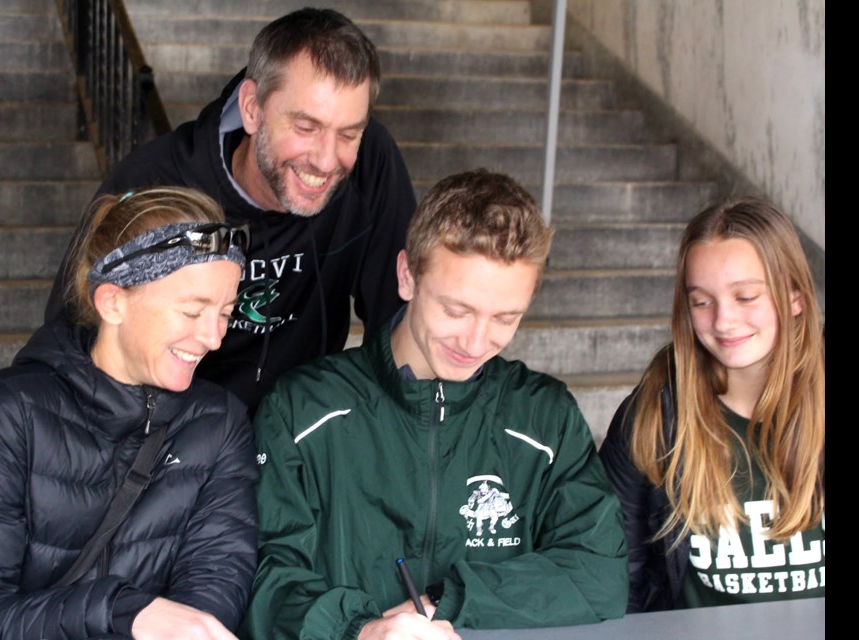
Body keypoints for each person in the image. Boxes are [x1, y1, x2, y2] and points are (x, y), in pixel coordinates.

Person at [239, 169, 629, 640]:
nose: (477, 341)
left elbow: (598, 574)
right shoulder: (301, 410)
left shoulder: (545, 417)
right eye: (456, 310)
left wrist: (447, 601)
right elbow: (265, 580)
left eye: (505, 317)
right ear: (407, 276)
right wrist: (363, 630)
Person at [43, 7, 417, 415]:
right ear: (253, 109)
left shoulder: (371, 163)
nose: (327, 161)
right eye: (306, 128)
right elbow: (71, 337)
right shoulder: (159, 181)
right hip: (174, 439)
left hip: (300, 432)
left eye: (348, 134)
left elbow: (403, 320)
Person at [0, 187, 259, 639]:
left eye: (225, 313)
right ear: (112, 302)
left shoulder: (218, 424)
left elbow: (213, 588)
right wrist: (120, 611)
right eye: (191, 311)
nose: (214, 338)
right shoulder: (9, 415)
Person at [598, 197, 825, 612]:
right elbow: (613, 577)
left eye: (746, 297)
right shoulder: (655, 416)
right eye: (702, 301)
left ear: (795, 297)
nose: (722, 321)